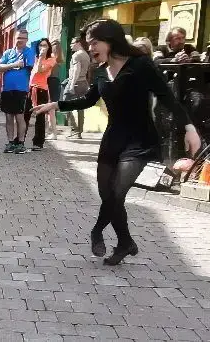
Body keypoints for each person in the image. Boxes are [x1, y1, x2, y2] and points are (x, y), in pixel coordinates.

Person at [32, 19, 201, 266]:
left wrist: (189, 127)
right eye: (88, 44)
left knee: (117, 193)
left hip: (140, 141)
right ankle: (125, 243)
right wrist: (56, 104)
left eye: (95, 43)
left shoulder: (140, 65)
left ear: (111, 40)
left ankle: (96, 231)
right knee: (108, 195)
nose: (91, 48)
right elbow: (88, 101)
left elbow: (167, 96)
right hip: (113, 140)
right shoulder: (100, 71)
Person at [0, 29, 35, 154]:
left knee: (19, 116)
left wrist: (8, 66)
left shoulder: (29, 52)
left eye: (23, 38)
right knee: (8, 117)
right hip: (7, 89)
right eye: (19, 38)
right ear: (15, 38)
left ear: (27, 40)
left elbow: (26, 64)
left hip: (21, 89)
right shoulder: (8, 52)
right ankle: (10, 143)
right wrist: (14, 65)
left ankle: (20, 142)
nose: (21, 40)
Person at [24, 38, 57, 151]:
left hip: (41, 90)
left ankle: (38, 142)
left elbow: (40, 71)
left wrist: (42, 57)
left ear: (48, 48)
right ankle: (20, 139)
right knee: (25, 114)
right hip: (31, 88)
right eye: (40, 45)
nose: (42, 48)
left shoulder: (51, 60)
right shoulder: (35, 57)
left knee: (40, 116)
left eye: (45, 46)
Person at [62, 37, 91, 139]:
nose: (70, 45)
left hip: (76, 83)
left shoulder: (76, 55)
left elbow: (76, 70)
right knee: (80, 108)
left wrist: (71, 85)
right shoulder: (86, 55)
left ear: (78, 43)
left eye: (72, 43)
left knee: (64, 105)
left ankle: (74, 128)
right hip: (84, 83)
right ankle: (79, 132)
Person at [46, 40, 64, 140]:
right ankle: (50, 131)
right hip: (56, 81)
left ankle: (53, 132)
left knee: (50, 108)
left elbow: (47, 73)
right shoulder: (59, 57)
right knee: (51, 108)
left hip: (50, 82)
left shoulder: (51, 57)